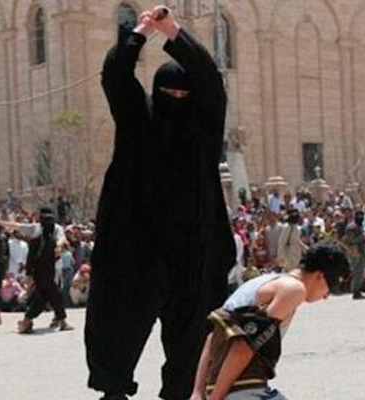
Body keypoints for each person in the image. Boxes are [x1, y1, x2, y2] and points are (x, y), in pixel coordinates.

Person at [86, 6, 235, 400]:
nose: (178, 100)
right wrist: (137, 35)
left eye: (185, 95)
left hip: (193, 249)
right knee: (118, 319)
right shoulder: (138, 120)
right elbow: (116, 77)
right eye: (170, 94)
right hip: (136, 245)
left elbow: (210, 81)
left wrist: (173, 33)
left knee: (193, 333)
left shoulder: (204, 126)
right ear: (157, 93)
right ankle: (113, 389)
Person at [188, 243, 349, 400]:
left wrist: (198, 391)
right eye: (332, 286)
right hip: (242, 389)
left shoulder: (263, 281)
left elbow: (213, 337)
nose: (326, 296)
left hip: (222, 385)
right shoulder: (293, 290)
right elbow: (243, 347)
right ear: (320, 276)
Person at [16, 207, 73, 333]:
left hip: (47, 274)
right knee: (46, 298)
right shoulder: (40, 240)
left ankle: (29, 321)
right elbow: (31, 259)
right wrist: (29, 275)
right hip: (42, 275)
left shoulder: (49, 241)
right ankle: (27, 322)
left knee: (50, 297)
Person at [342, 211, 365, 300]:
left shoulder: (358, 225)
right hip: (354, 251)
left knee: (360, 271)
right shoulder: (352, 227)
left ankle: (357, 290)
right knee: (357, 271)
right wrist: (361, 238)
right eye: (359, 215)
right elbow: (349, 240)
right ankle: (355, 290)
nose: (361, 217)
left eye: (362, 215)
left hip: (359, 250)